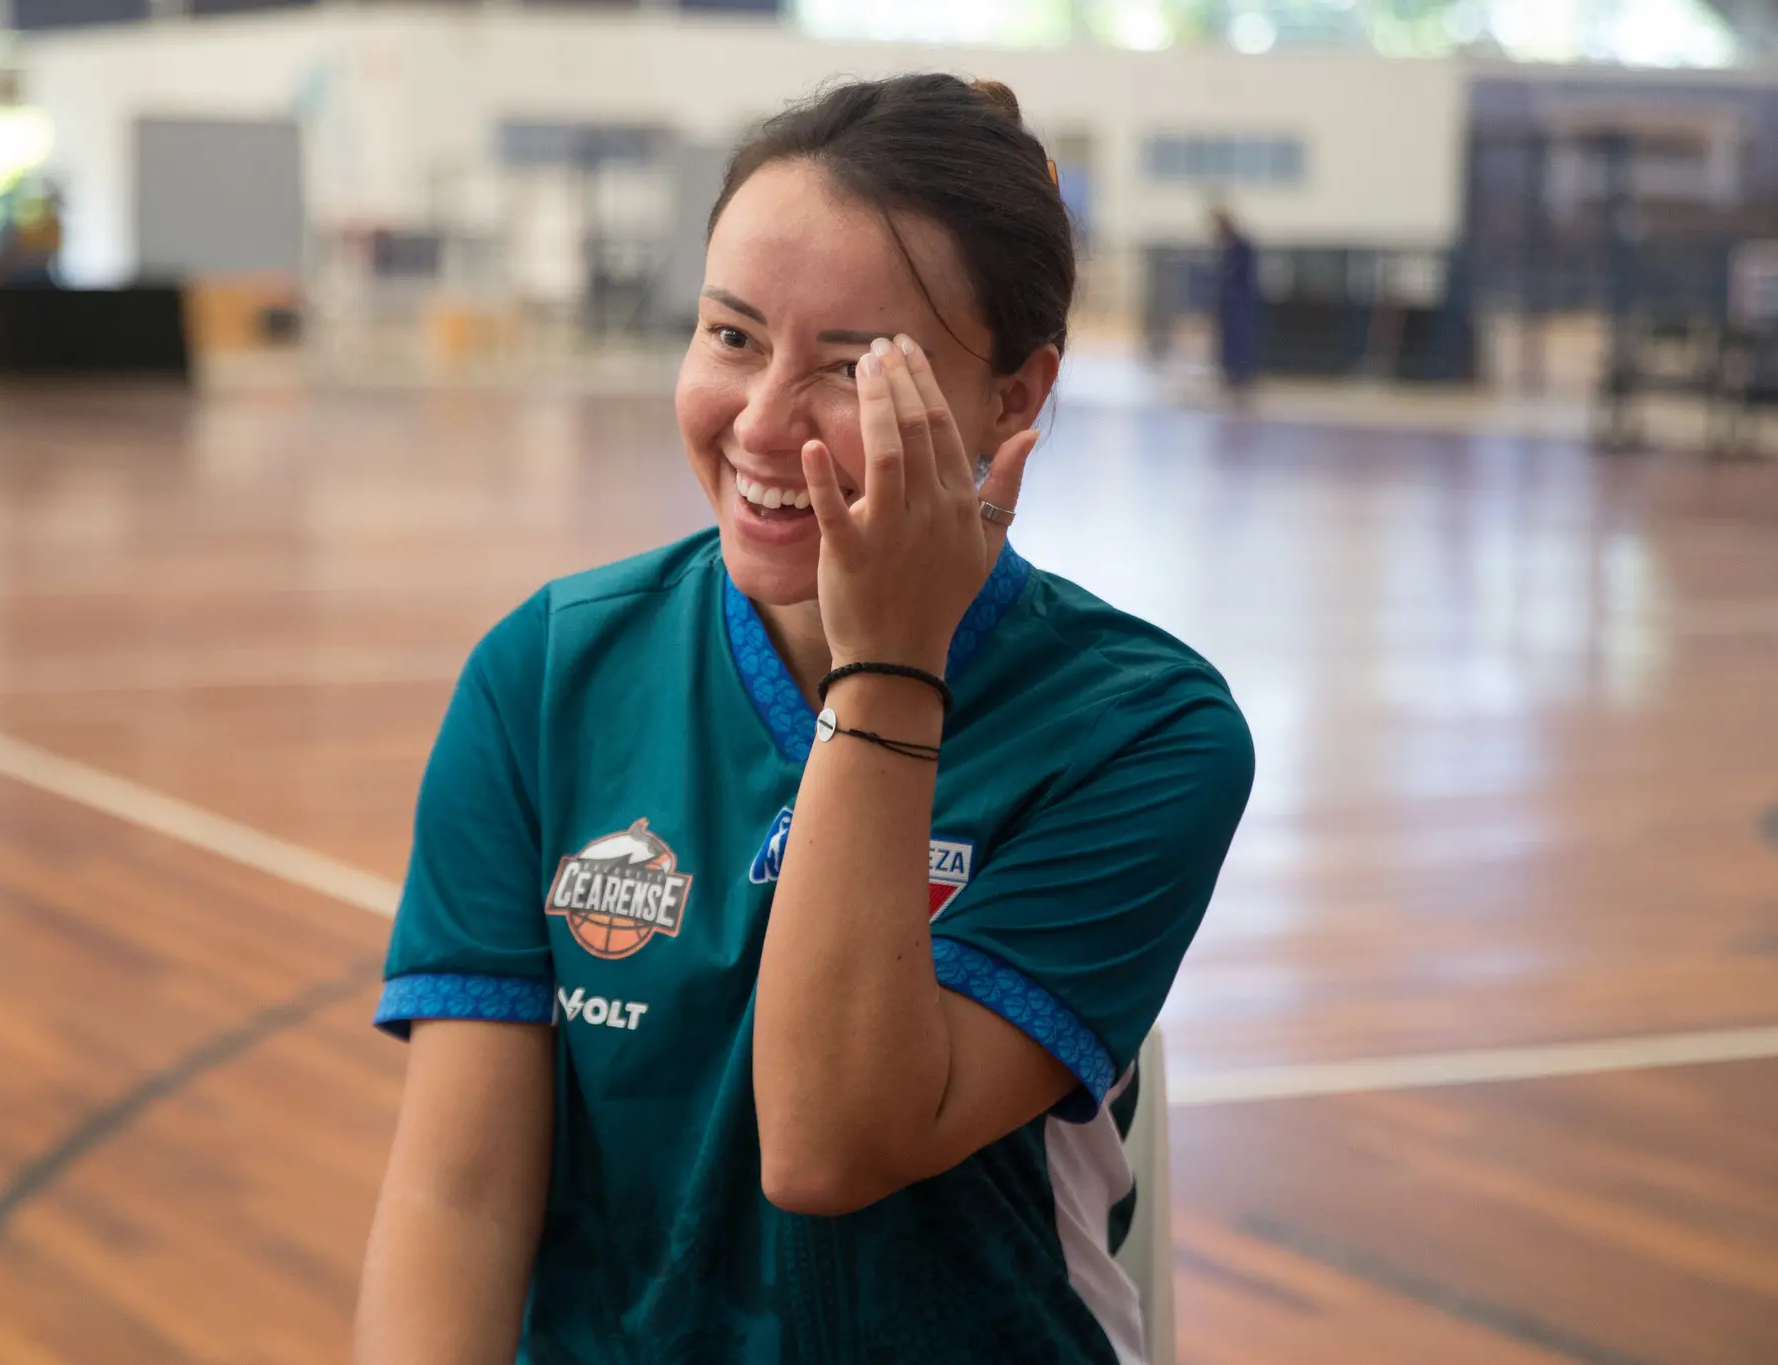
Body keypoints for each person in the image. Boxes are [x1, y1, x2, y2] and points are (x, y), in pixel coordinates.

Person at [355, 75, 1254, 1365]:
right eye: (729, 336)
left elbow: (831, 1145)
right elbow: (459, 1197)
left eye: (848, 368)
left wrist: (885, 666)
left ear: (1013, 396)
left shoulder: (1141, 731)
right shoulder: (548, 673)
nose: (762, 423)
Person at [1211, 205, 1261, 398]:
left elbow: (1241, 277)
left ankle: (1242, 376)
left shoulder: (1242, 248)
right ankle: (1231, 375)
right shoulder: (1226, 249)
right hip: (1228, 304)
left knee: (1240, 340)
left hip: (1240, 304)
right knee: (1228, 340)